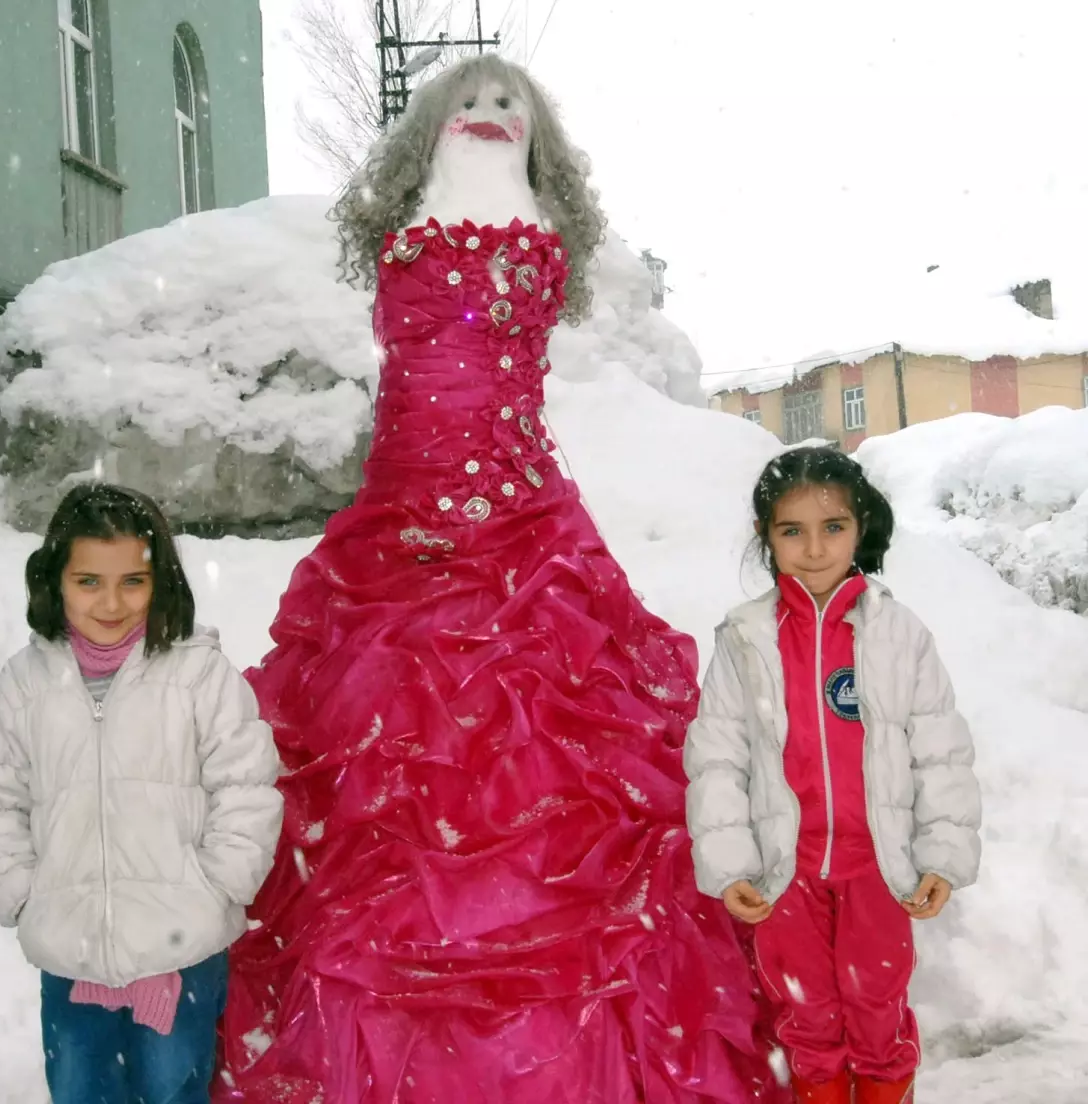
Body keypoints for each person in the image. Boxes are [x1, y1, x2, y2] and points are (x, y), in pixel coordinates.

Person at [216, 54, 788, 1104]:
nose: (486, 116)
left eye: (506, 106)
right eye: (469, 103)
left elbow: (489, 346)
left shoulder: (528, 243)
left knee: (544, 748)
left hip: (514, 515)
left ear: (538, 140)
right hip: (400, 512)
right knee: (377, 753)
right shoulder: (415, 234)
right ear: (433, 127)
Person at [0, 483, 283, 1104]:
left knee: (172, 1088)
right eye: (88, 582)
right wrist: (24, 896)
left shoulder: (199, 676)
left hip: (180, 953)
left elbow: (245, 786)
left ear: (161, 582)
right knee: (81, 1088)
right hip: (71, 955)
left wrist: (215, 887)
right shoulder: (25, 687)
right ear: (55, 582)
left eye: (132, 581)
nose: (111, 602)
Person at [685, 447, 982, 1104]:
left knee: (876, 999)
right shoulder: (745, 638)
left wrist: (941, 853)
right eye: (792, 530)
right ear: (767, 537)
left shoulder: (899, 635)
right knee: (804, 1009)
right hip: (784, 870)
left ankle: (884, 1092)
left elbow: (939, 748)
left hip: (876, 864)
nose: (814, 548)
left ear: (861, 529)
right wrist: (734, 861)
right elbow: (718, 755)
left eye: (833, 527)